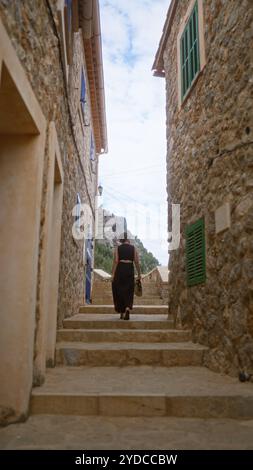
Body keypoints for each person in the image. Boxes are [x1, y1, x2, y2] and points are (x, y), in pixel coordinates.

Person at [111, 233, 141, 320]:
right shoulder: (133, 248)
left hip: (120, 269)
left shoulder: (118, 248)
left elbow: (116, 261)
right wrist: (139, 274)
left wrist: (113, 274)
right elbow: (136, 261)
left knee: (119, 290)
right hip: (129, 269)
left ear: (121, 240)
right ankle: (127, 308)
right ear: (128, 239)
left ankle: (121, 312)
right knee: (129, 290)